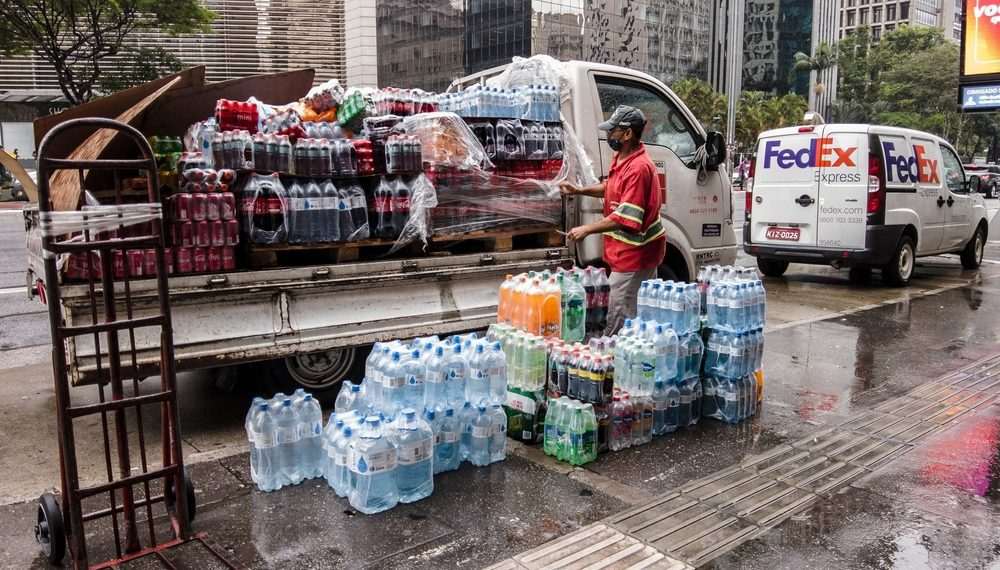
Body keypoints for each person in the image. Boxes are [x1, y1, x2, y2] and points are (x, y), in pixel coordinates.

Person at [559, 105, 665, 335]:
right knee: (633, 311)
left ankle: (615, 360)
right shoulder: (622, 158)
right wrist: (578, 190)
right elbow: (611, 188)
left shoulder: (639, 168)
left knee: (617, 315)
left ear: (627, 134)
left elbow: (627, 216)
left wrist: (587, 228)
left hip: (636, 255)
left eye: (613, 130)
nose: (609, 135)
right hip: (624, 252)